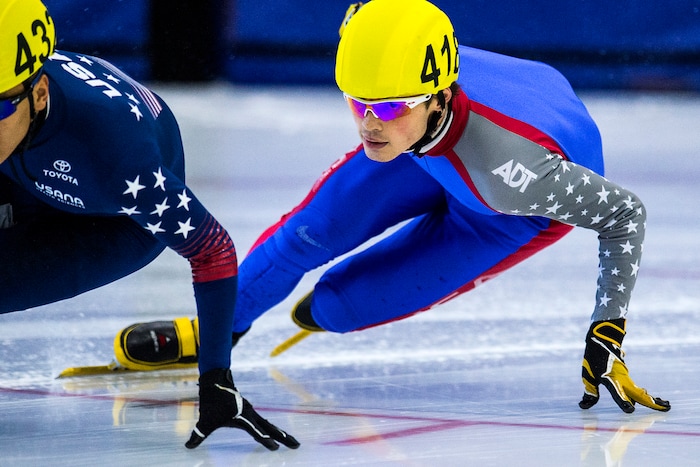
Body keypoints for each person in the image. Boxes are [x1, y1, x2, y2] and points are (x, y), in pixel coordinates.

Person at [127, 0, 671, 414]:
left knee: (336, 308)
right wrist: (391, 104)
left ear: (438, 94)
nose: (369, 123)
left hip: (506, 209)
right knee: (307, 236)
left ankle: (318, 311)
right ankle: (218, 329)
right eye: (357, 100)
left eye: (386, 106)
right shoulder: (394, 90)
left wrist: (608, 330)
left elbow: (624, 215)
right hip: (429, 149)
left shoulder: (512, 174)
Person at [0, 0, 299, 451]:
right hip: (29, 167)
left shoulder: (114, 155)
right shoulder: (17, 97)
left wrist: (216, 379)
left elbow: (213, 247)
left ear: (39, 92)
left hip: (111, 221)